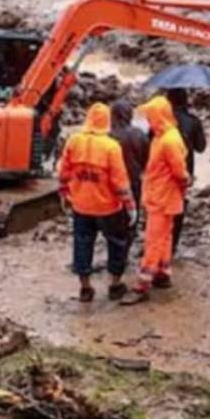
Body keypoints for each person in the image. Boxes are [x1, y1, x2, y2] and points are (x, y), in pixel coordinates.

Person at [58, 103, 136, 302]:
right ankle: (115, 284)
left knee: (82, 243)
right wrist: (130, 205)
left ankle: (85, 287)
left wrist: (65, 194)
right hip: (108, 207)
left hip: (81, 205)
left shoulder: (73, 141)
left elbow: (63, 173)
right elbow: (120, 181)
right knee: (116, 243)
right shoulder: (111, 147)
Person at [122, 96, 190, 304]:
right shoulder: (164, 136)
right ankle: (163, 272)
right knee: (165, 236)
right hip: (161, 195)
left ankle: (143, 283)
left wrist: (185, 183)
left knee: (153, 240)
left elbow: (180, 172)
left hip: (162, 197)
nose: (148, 121)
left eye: (150, 116)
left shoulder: (168, 140)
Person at [166, 88, 206, 251]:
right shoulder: (193, 121)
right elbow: (201, 147)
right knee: (178, 206)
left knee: (160, 207)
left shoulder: (161, 120)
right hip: (184, 172)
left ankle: (160, 241)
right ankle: (173, 244)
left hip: (162, 171)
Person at [110, 100, 150, 212]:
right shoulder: (139, 134)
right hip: (134, 178)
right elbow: (147, 160)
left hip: (111, 182)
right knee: (133, 212)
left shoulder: (107, 135)